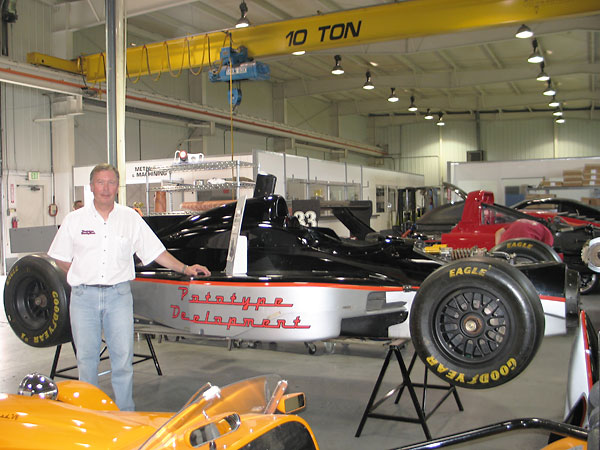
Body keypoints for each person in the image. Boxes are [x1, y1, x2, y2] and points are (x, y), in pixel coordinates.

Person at [48, 163, 210, 411]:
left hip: (118, 297)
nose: (106, 188)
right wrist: (80, 274)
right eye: (100, 182)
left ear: (117, 187)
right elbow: (60, 256)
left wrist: (184, 268)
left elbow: (156, 252)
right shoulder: (74, 220)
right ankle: (89, 416)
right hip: (84, 299)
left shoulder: (130, 219)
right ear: (91, 187)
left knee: (122, 361)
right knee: (86, 361)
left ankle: (125, 416)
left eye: (111, 182)